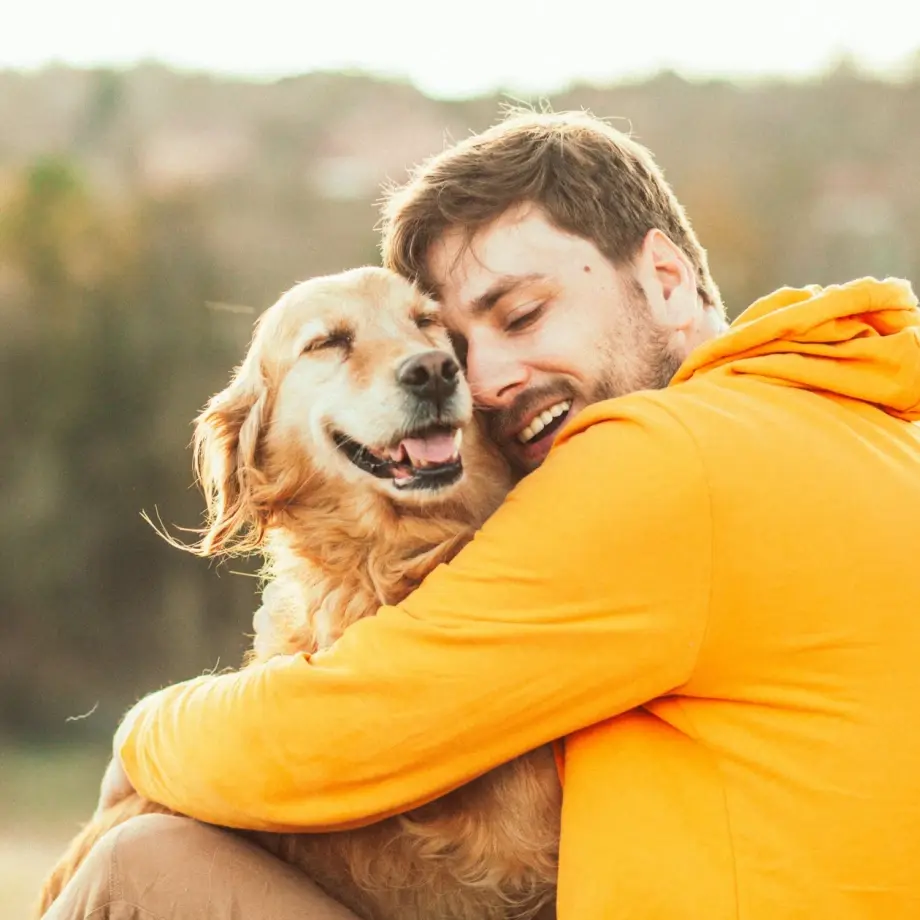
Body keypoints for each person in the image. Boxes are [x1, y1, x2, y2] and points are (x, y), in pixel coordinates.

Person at [47, 109, 920, 920]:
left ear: (665, 278)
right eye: (461, 344)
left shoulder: (668, 459)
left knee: (138, 865)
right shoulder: (845, 421)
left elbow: (340, 732)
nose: (482, 380)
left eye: (525, 313)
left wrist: (143, 733)